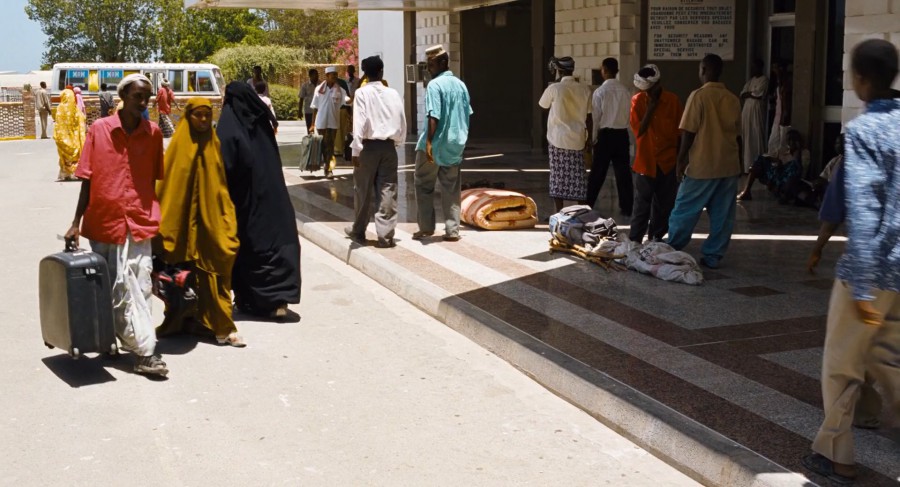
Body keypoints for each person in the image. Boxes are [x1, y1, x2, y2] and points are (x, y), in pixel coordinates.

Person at [802, 39, 900, 485]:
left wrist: (859, 290)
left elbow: (856, 206)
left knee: (842, 363)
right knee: (887, 354)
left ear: (860, 80)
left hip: (873, 270)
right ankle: (872, 414)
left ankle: (837, 454)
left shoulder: (862, 132)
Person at [63, 73, 168, 377]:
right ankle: (115, 342)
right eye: (137, 96)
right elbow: (87, 179)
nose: (143, 102)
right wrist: (75, 223)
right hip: (104, 223)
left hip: (139, 223)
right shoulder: (100, 130)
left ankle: (146, 352)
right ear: (124, 97)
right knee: (112, 289)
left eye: (147, 96)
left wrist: (154, 221)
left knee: (139, 286)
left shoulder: (153, 134)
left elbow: (150, 181)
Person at [154, 97, 245, 347]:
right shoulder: (178, 148)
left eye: (207, 115)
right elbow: (166, 188)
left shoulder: (213, 145)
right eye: (198, 115)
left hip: (211, 223)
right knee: (181, 277)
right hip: (182, 226)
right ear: (188, 117)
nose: (204, 120)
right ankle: (184, 321)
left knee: (217, 268)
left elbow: (220, 186)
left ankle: (222, 326)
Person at [217, 82, 301, 323]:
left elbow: (225, 167)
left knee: (249, 246)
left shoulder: (229, 128)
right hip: (274, 198)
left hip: (248, 202)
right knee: (274, 242)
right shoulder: (262, 123)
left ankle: (255, 300)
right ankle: (278, 299)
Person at [666, 54, 741, 269]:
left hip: (702, 165)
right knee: (722, 215)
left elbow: (688, 132)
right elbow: (737, 136)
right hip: (728, 165)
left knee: (684, 209)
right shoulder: (732, 98)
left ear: (704, 70)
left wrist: (680, 161)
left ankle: (673, 246)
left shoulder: (698, 96)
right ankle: (713, 255)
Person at [344, 56, 407, 248]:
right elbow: (401, 119)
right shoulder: (393, 93)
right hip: (388, 147)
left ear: (364, 73)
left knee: (362, 189)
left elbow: (359, 122)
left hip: (368, 147)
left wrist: (356, 149)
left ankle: (359, 231)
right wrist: (399, 142)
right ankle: (385, 236)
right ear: (381, 71)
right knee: (388, 189)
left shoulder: (362, 93)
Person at [413, 45, 473, 241]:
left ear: (443, 63)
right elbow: (467, 113)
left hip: (436, 144)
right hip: (455, 144)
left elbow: (433, 116)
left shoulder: (434, 85)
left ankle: (426, 227)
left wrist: (429, 142)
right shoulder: (461, 85)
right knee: (451, 188)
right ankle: (452, 230)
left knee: (423, 185)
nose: (429, 69)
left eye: (431, 65)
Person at [629, 65, 682, 243]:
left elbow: (681, 133)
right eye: (645, 91)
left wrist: (681, 162)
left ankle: (656, 238)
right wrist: (651, 107)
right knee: (641, 206)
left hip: (668, 163)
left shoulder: (673, 101)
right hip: (646, 162)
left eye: (651, 90)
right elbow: (640, 131)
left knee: (664, 205)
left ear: (658, 83)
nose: (648, 93)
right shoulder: (637, 101)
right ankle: (635, 240)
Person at [539, 56, 592, 213]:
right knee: (578, 178)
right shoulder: (584, 89)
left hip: (558, 138)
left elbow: (543, 105)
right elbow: (589, 116)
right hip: (578, 138)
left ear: (558, 71)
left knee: (558, 177)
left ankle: (558, 211)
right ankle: (581, 211)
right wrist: (589, 139)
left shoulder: (554, 88)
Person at [587, 57, 633, 216]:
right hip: (621, 134)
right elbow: (629, 115)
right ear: (617, 71)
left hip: (605, 135)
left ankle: (588, 203)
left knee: (598, 172)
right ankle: (627, 207)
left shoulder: (600, 92)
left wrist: (593, 138)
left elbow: (596, 118)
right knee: (623, 173)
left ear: (604, 70)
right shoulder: (626, 91)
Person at [738, 129, 810, 203]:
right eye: (787, 140)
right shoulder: (784, 152)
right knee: (760, 159)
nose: (789, 143)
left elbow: (800, 170)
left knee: (792, 168)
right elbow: (777, 162)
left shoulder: (804, 153)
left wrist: (796, 153)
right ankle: (746, 191)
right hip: (777, 175)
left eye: (791, 140)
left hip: (789, 179)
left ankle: (783, 193)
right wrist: (774, 160)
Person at [310, 66, 349, 179]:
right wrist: (312, 124)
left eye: (336, 75)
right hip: (321, 122)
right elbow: (315, 107)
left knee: (330, 145)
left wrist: (355, 96)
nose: (335, 77)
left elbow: (347, 100)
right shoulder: (319, 89)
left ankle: (328, 169)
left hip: (333, 122)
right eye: (333, 75)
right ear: (327, 76)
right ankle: (326, 165)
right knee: (323, 145)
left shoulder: (340, 90)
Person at [740, 59, 768, 173]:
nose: (752, 69)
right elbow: (743, 93)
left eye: (754, 67)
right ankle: (747, 166)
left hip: (756, 111)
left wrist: (750, 94)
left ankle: (758, 166)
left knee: (756, 135)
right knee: (746, 137)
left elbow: (758, 94)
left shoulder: (764, 80)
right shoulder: (751, 81)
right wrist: (750, 94)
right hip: (747, 111)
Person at [53, 88, 86, 181]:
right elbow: (82, 120)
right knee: (75, 156)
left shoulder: (60, 108)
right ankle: (75, 172)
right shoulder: (75, 108)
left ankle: (67, 173)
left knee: (65, 157)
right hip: (75, 138)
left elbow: (57, 124)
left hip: (63, 138)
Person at [767, 60, 792, 157]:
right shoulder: (778, 83)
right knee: (772, 144)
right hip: (777, 117)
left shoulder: (786, 84)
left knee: (782, 145)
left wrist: (785, 114)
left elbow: (786, 102)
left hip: (783, 118)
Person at [298, 68, 319, 134]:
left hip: (319, 110)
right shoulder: (305, 85)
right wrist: (299, 111)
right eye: (314, 75)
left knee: (319, 128)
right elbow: (301, 99)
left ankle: (320, 143)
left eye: (317, 75)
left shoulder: (321, 84)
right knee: (310, 129)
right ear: (310, 76)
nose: (316, 76)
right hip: (309, 110)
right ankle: (311, 143)